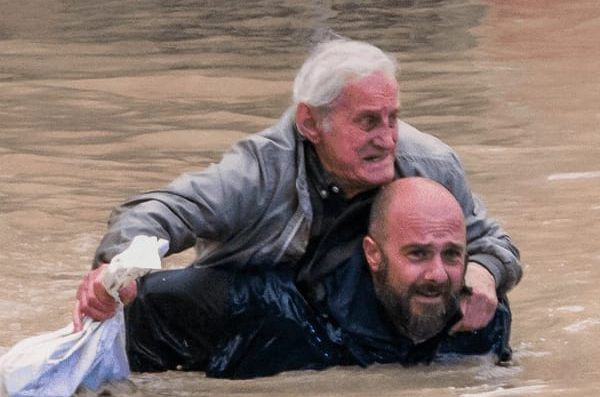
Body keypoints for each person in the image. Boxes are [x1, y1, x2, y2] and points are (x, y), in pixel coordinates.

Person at [73, 37, 521, 338]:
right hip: (264, 315)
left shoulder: (430, 164)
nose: (386, 139)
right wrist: (116, 273)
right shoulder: (256, 173)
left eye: (392, 118)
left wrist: (483, 275)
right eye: (366, 122)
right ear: (310, 123)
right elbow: (159, 212)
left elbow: (494, 243)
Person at [124, 177, 511, 379]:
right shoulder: (270, 307)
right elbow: (147, 304)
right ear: (372, 255)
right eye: (417, 254)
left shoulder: (480, 319)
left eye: (452, 255)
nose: (438, 275)